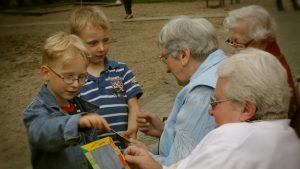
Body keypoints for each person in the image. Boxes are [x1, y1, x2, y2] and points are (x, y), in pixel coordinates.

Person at [125, 48, 300, 169]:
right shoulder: (289, 137)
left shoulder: (233, 138)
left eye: (215, 102)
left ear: (246, 109)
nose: (210, 110)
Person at [135, 17, 227, 166]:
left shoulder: (202, 93)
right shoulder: (223, 65)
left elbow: (180, 164)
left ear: (184, 55)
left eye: (165, 58)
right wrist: (165, 131)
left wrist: (144, 157)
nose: (167, 69)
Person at [23, 32, 111, 169]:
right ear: (46, 73)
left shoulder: (83, 108)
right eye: (69, 76)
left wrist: (119, 161)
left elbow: (96, 154)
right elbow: (41, 133)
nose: (76, 84)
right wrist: (75, 123)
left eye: (81, 77)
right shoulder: (37, 111)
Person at [70, 6, 143, 149]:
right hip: (93, 153)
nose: (101, 48)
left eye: (105, 40)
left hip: (124, 149)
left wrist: (133, 129)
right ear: (76, 43)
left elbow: (133, 106)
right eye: (93, 43)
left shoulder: (120, 70)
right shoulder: (74, 79)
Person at [223, 5, 298, 116]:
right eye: (230, 42)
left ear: (262, 41)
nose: (232, 51)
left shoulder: (264, 72)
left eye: (237, 43)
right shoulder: (265, 58)